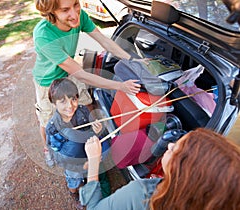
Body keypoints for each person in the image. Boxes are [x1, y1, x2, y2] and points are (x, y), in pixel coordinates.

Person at [33, 0, 141, 167]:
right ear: (51, 11)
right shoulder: (43, 34)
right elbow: (82, 75)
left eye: (76, 4)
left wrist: (133, 60)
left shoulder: (80, 16)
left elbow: (104, 41)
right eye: (65, 10)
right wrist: (121, 86)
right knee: (48, 120)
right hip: (47, 81)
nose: (74, 14)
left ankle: (90, 141)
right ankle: (48, 149)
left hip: (69, 71)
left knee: (86, 105)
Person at [79, 128, 240, 209]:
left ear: (190, 176)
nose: (170, 145)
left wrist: (93, 162)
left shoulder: (141, 195)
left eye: (177, 150)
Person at [46, 78, 109, 209]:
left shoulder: (82, 111)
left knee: (91, 174)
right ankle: (74, 193)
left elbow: (92, 133)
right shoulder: (53, 127)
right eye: (63, 101)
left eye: (73, 99)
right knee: (74, 181)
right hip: (71, 162)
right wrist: (80, 166)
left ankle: (88, 184)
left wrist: (97, 131)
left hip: (87, 153)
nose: (70, 106)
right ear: (54, 103)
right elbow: (57, 156)